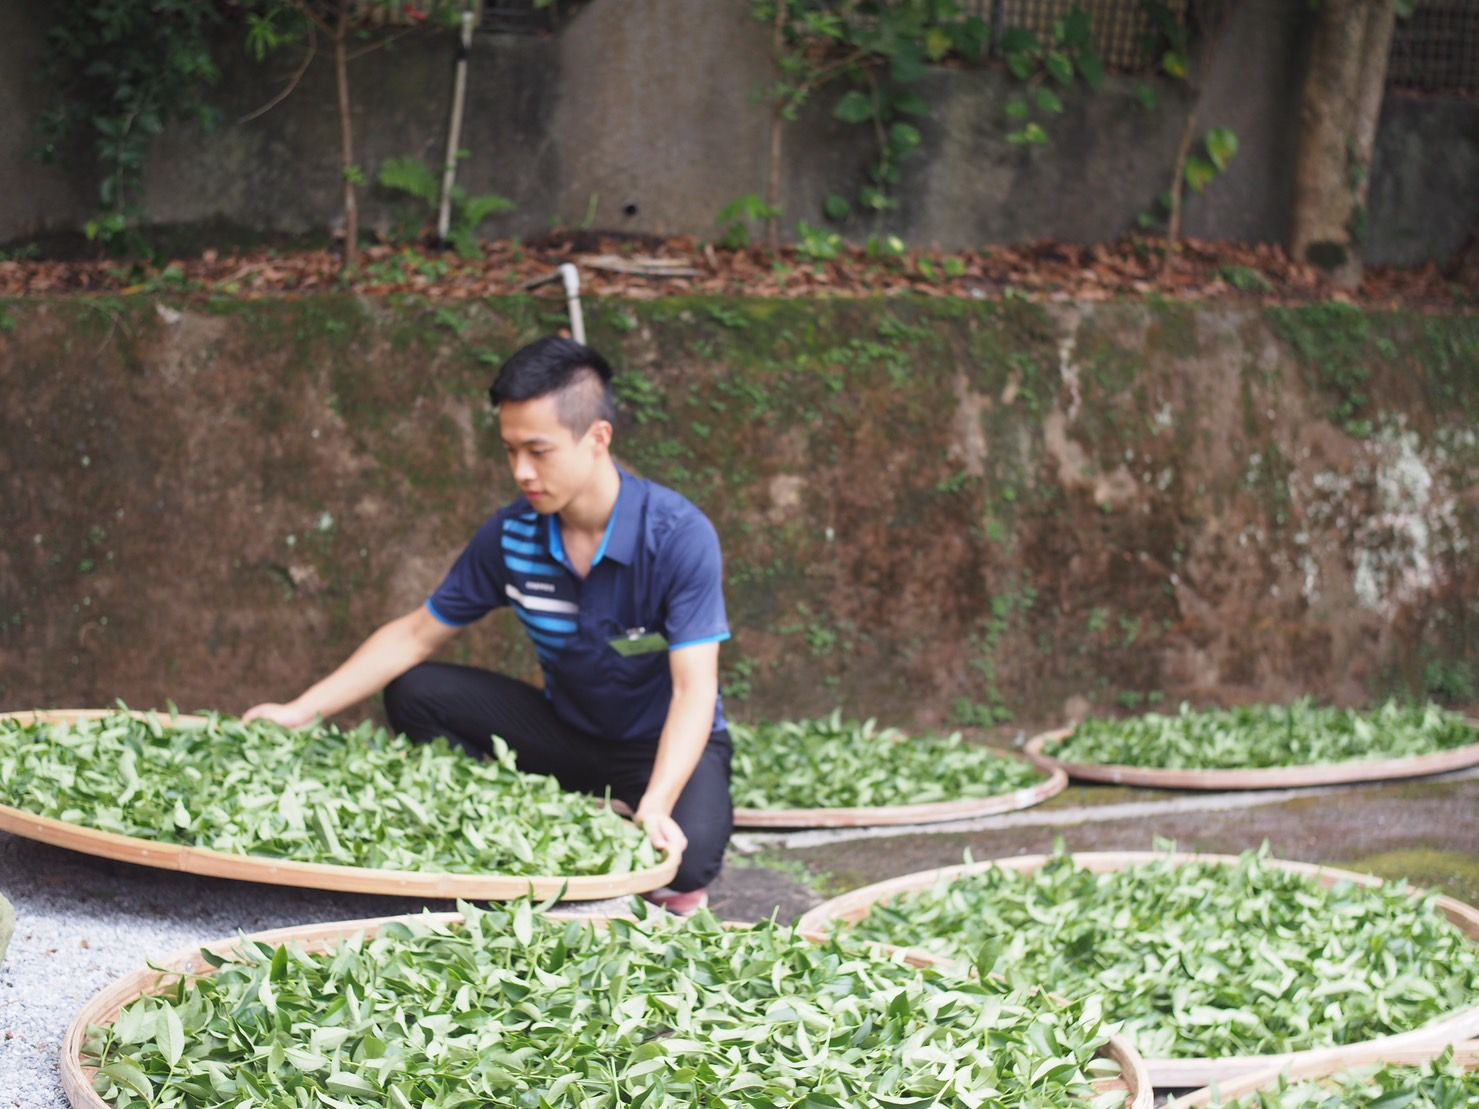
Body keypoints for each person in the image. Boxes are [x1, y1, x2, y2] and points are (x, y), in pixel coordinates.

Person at [244, 337, 732, 913]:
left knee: (690, 857)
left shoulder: (676, 536)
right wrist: (300, 711)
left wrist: (656, 802)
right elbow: (415, 634)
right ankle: (533, 810)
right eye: (509, 451)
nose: (521, 471)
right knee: (417, 692)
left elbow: (693, 688)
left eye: (538, 450)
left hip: (657, 745)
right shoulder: (511, 535)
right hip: (567, 733)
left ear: (597, 439)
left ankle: (631, 811)